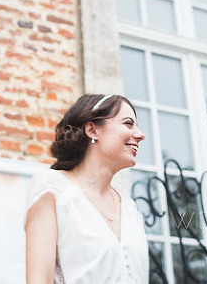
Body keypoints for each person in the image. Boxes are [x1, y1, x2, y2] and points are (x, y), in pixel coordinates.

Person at [24, 94, 149, 284]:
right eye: (128, 123)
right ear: (92, 129)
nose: (140, 135)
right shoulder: (52, 189)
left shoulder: (129, 207)